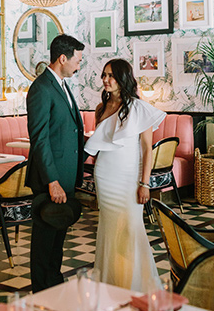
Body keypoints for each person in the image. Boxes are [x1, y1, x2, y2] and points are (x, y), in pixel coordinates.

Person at [85, 59, 166, 291]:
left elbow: (147, 149)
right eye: (104, 75)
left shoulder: (139, 108)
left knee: (130, 229)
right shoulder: (101, 108)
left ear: (123, 79)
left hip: (129, 178)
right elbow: (100, 145)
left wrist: (144, 183)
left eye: (111, 76)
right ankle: (110, 283)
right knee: (109, 229)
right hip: (104, 175)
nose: (106, 80)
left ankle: (135, 285)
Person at [26, 33, 85, 292]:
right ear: (63, 58)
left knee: (58, 235)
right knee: (44, 239)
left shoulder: (61, 84)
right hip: (51, 179)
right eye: (77, 60)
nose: (78, 65)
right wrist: (52, 180)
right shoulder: (41, 88)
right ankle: (40, 289)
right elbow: (39, 139)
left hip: (66, 175)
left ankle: (54, 284)